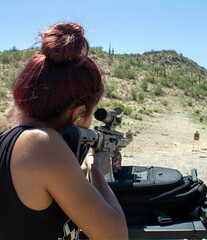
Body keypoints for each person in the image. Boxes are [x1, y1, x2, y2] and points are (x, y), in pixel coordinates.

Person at [0, 22, 128, 240]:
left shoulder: (11, 140)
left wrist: (81, 169)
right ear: (79, 113)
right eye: (91, 113)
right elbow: (115, 236)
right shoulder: (42, 145)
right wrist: (98, 171)